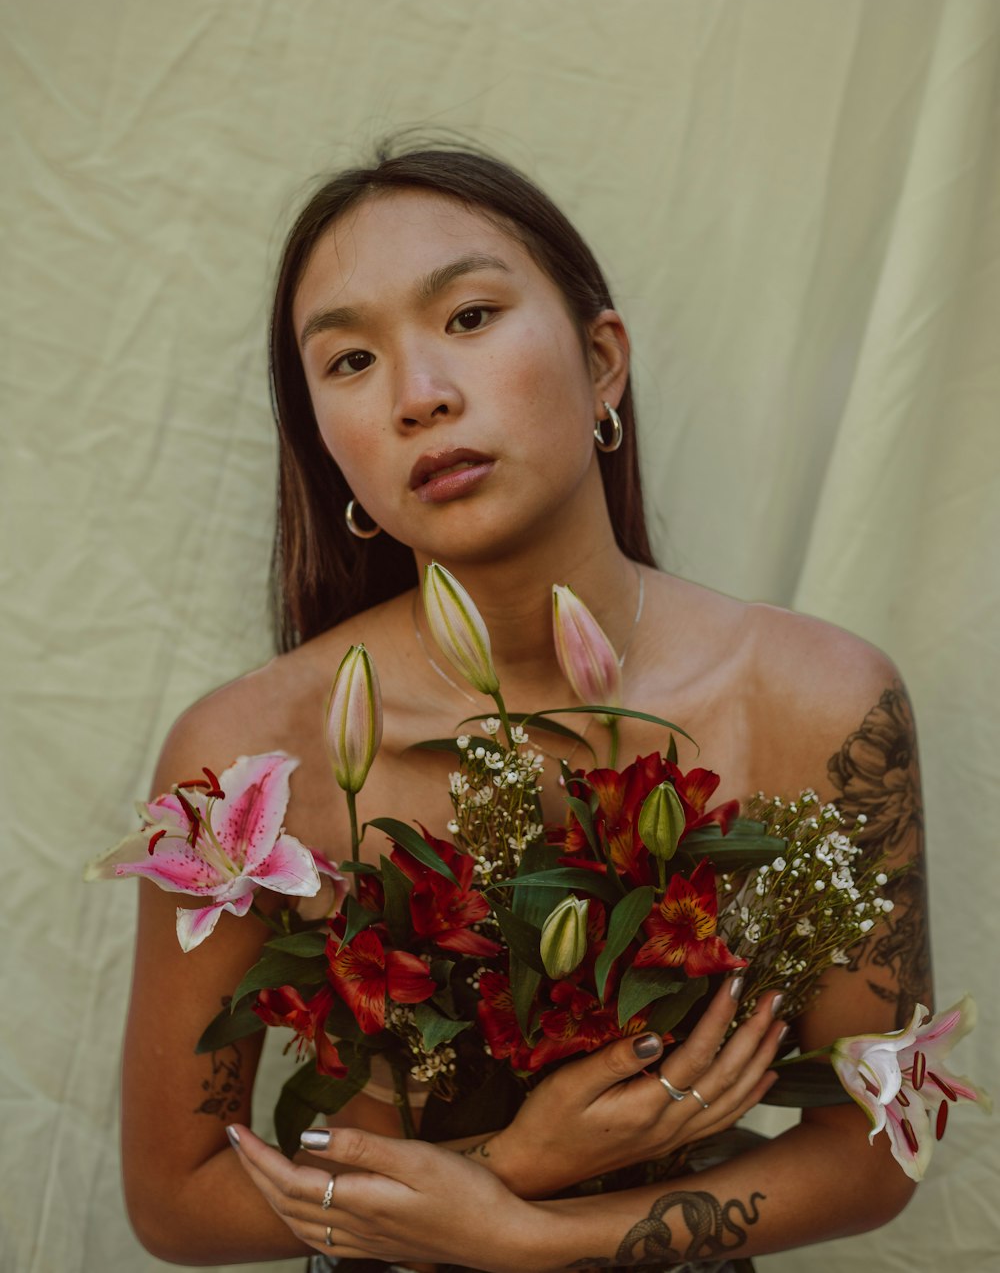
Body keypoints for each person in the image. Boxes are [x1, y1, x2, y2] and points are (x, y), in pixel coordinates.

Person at [121, 144, 930, 1270]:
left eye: (469, 316)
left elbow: (879, 1141)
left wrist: (523, 1234)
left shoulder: (819, 701)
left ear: (602, 364)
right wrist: (513, 1166)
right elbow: (176, 1197)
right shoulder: (252, 756)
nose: (420, 395)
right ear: (323, 441)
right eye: (351, 359)